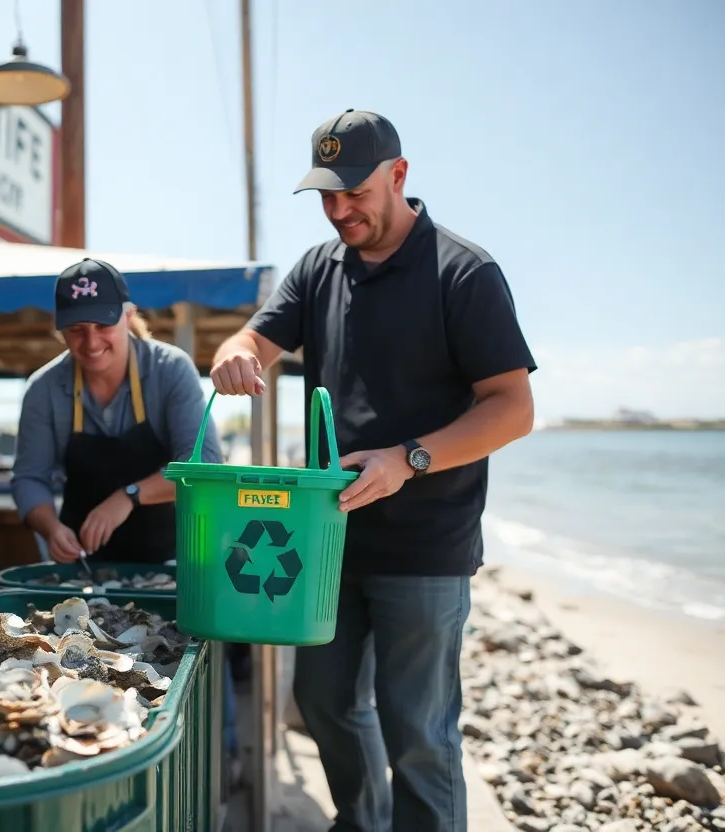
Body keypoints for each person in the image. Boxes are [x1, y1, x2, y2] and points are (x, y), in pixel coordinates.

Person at [210, 110, 537, 832]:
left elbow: (513, 408)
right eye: (326, 195)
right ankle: (362, 821)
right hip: (327, 540)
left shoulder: (465, 270)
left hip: (428, 542)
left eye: (354, 191)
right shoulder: (316, 268)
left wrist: (408, 459)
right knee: (323, 702)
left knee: (419, 731)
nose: (338, 210)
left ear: (399, 175)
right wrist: (234, 351)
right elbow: (255, 340)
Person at [11, 257, 223, 564]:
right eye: (77, 329)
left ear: (129, 315)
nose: (91, 342)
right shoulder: (43, 389)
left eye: (102, 325)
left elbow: (205, 464)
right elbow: (29, 478)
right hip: (82, 565)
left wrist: (130, 495)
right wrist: (51, 528)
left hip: (171, 561)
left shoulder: (171, 369)